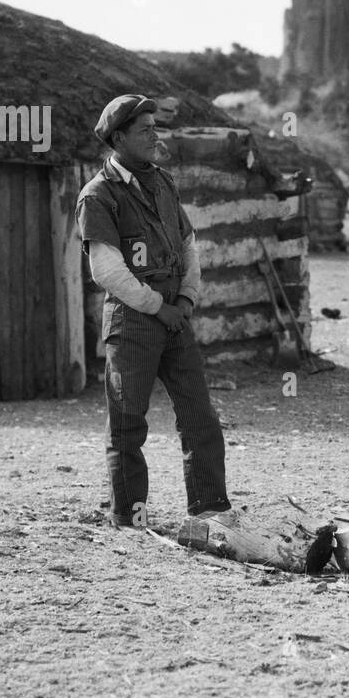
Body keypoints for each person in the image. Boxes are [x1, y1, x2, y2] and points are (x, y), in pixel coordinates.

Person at [75, 94, 231, 528]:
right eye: (143, 129)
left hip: (174, 316)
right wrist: (158, 307)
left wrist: (184, 300)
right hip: (133, 322)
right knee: (127, 424)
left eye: (154, 127)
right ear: (118, 137)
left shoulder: (163, 182)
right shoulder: (98, 196)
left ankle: (210, 511)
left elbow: (188, 245)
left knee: (200, 417)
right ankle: (130, 517)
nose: (153, 135)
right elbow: (106, 270)